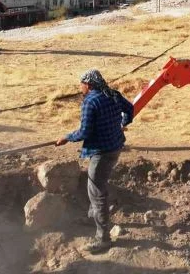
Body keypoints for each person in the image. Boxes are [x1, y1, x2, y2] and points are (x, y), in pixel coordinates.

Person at [56, 69, 134, 254]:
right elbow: (130, 109)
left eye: (81, 84)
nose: (80, 87)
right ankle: (93, 217)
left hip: (101, 152)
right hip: (115, 147)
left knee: (96, 193)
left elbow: (84, 132)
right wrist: (123, 123)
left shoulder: (90, 102)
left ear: (88, 84)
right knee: (97, 187)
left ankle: (103, 239)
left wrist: (67, 137)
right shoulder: (113, 94)